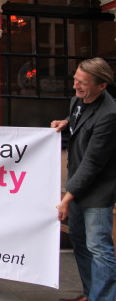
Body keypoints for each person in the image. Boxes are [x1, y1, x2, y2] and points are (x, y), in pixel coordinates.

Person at [51, 58, 116, 301]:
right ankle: (91, 294)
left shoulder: (110, 115)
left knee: (99, 247)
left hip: (97, 191)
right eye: (76, 80)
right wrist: (66, 123)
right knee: (79, 240)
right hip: (78, 186)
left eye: (83, 83)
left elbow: (93, 164)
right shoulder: (77, 101)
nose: (76, 86)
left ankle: (105, 297)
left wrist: (66, 198)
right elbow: (82, 122)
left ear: (102, 86)